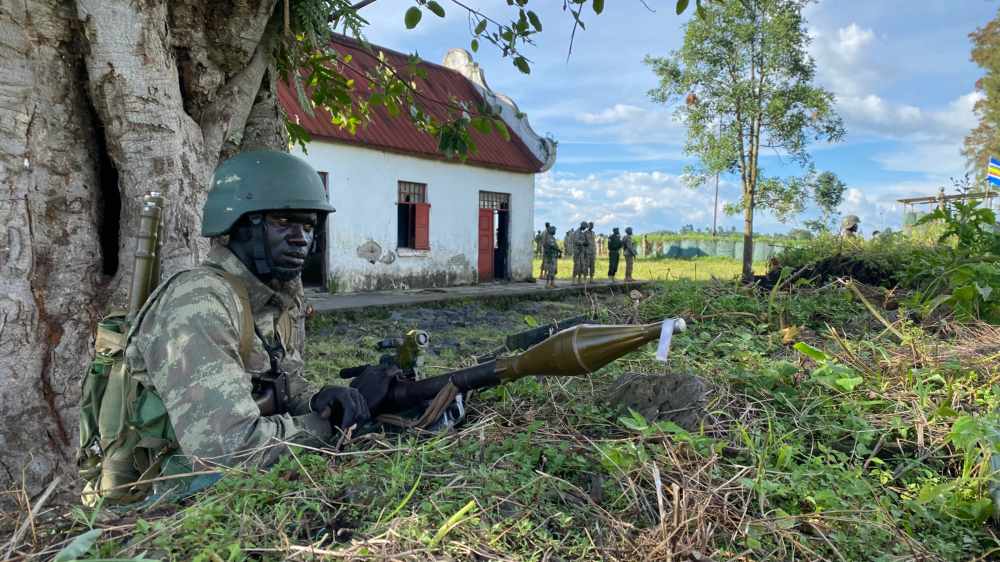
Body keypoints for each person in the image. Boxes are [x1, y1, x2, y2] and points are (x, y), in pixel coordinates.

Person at [122, 151, 390, 492]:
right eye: (282, 222)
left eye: (308, 225)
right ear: (238, 223)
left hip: (246, 490)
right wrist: (327, 426)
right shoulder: (199, 302)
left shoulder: (276, 296)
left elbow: (285, 388)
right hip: (171, 500)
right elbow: (225, 452)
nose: (300, 238)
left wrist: (326, 400)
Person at [542, 224, 561, 288]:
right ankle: (547, 284)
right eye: (554, 230)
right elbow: (552, 246)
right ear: (551, 231)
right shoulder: (548, 237)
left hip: (554, 256)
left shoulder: (553, 237)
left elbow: (556, 246)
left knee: (554, 270)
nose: (555, 232)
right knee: (550, 270)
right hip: (550, 257)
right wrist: (558, 250)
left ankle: (552, 283)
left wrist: (559, 252)